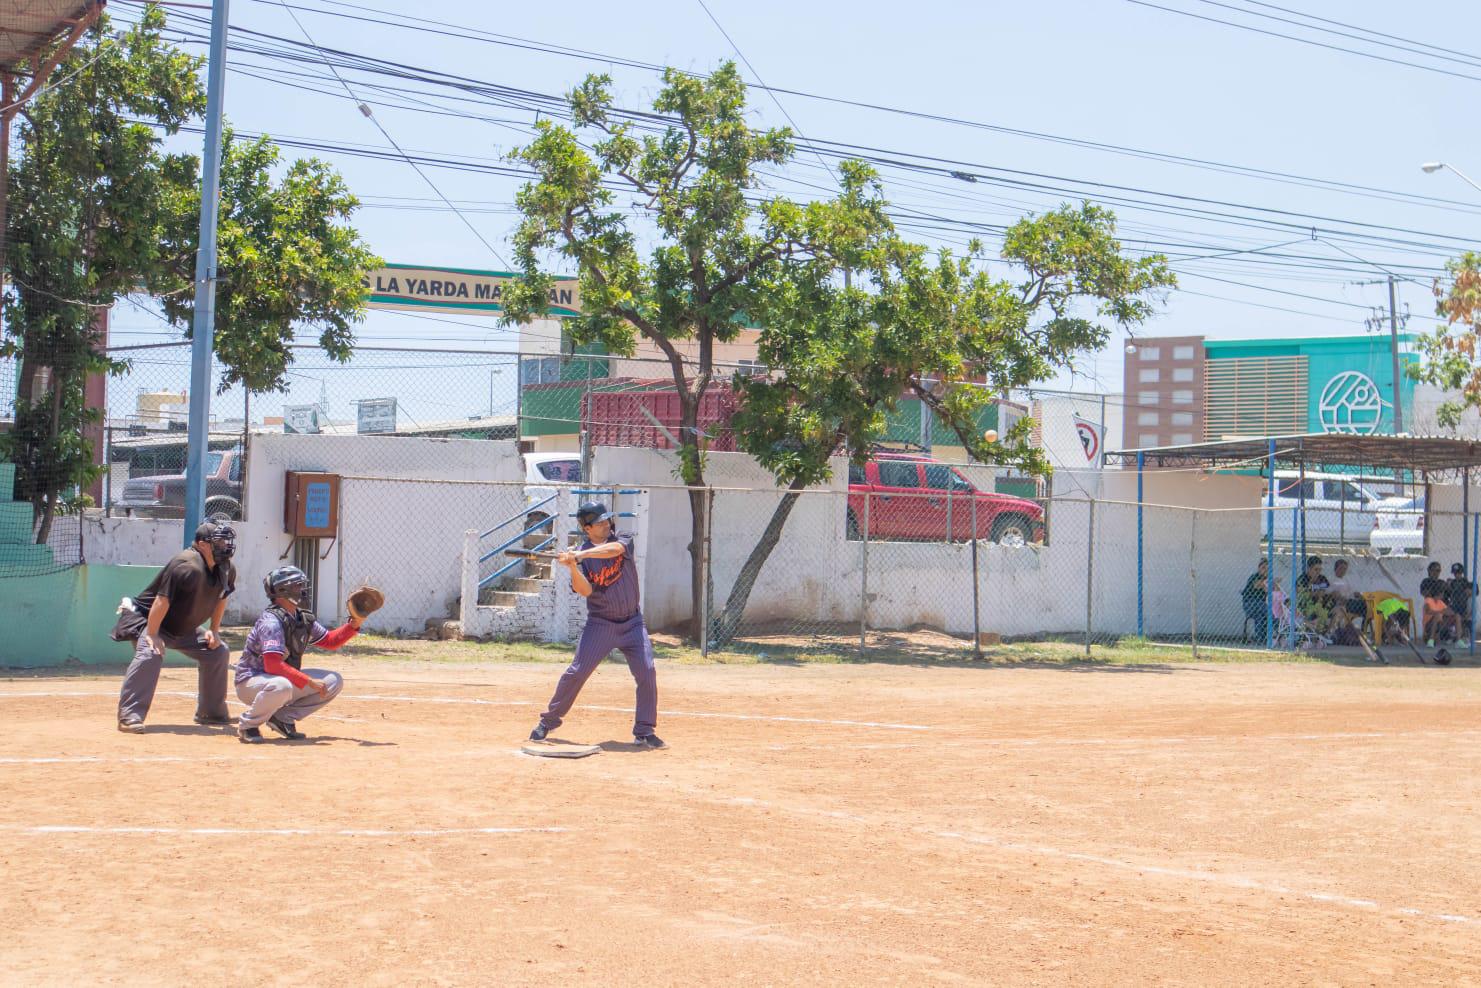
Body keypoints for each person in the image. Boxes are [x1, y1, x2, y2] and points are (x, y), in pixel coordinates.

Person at [529, 501, 663, 749]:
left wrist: (579, 555)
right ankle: (548, 721)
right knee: (577, 672)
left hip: (633, 622)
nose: (606, 523)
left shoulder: (621, 538)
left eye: (607, 519)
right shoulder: (583, 556)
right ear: (587, 528)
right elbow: (586, 590)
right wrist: (572, 567)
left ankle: (644, 731)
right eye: (600, 521)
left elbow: (613, 551)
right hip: (601, 624)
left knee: (647, 671)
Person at [112, 521, 238, 733]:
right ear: (202, 544)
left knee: (218, 652)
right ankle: (129, 716)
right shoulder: (186, 565)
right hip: (149, 621)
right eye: (219, 541)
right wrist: (152, 634)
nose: (225, 545)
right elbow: (162, 600)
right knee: (150, 653)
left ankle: (211, 712)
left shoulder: (226, 568)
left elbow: (221, 597)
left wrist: (213, 630)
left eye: (226, 541)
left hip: (182, 627)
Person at [234, 566, 358, 744]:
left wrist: (354, 624)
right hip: (251, 682)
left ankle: (282, 718)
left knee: (333, 681)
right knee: (281, 685)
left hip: (278, 680)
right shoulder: (271, 622)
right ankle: (248, 725)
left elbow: (330, 641)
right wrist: (308, 681)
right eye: (297, 586)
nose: (302, 590)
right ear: (282, 591)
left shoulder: (301, 618)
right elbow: (272, 665)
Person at [1421, 562, 1460, 646]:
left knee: (1457, 614)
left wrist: (1450, 585)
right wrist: (1438, 593)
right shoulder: (1426, 581)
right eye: (1433, 570)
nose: (1436, 573)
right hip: (1434, 612)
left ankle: (1458, 639)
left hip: (1444, 608)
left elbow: (1452, 594)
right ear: (1429, 571)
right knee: (1438, 615)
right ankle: (1432, 638)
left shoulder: (1442, 582)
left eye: (1438, 570)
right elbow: (1425, 593)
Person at [1294, 555, 1334, 633]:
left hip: (1322, 604)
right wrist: (1312, 582)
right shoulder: (1302, 579)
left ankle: (1327, 633)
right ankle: (1315, 629)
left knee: (1337, 607)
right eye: (1316, 569)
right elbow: (1302, 595)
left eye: (1320, 569)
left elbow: (1328, 590)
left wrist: (1320, 592)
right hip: (1307, 607)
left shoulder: (1322, 578)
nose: (1318, 572)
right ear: (1309, 568)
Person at [1241, 559, 1270, 641]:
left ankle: (1260, 638)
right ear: (1259, 568)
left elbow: (1269, 590)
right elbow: (1257, 585)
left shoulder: (1267, 579)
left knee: (1260, 616)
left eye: (1267, 569)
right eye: (1263, 568)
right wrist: (1270, 582)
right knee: (1269, 610)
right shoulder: (1254, 577)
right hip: (1250, 604)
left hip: (1260, 606)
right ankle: (1280, 634)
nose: (1265, 570)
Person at [1446, 563, 1473, 639]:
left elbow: (1470, 591)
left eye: (1458, 573)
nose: (1456, 575)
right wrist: (1448, 585)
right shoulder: (1453, 582)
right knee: (1447, 615)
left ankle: (1459, 636)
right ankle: (1451, 636)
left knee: (1458, 616)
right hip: (1454, 605)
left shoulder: (1464, 581)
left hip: (1462, 606)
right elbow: (1449, 593)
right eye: (1455, 573)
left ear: (1461, 573)